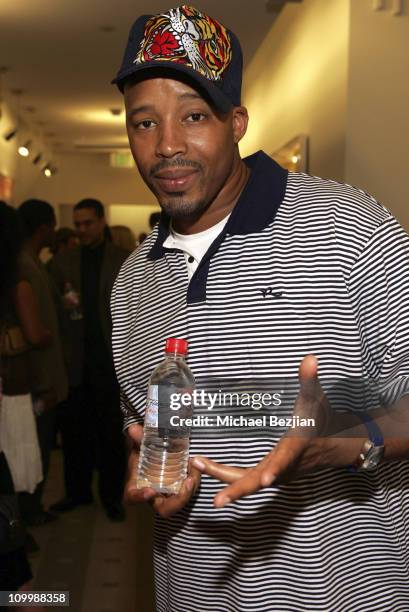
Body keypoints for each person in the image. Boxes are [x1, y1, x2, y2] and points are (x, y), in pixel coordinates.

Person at [110, 5, 409, 612]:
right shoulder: (132, 280)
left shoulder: (351, 230)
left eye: (194, 116)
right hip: (189, 590)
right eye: (144, 123)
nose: (167, 145)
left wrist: (338, 446)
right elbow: (148, 429)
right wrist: (154, 476)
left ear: (237, 122)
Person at [49, 199, 128, 522]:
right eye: (77, 224)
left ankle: (112, 497)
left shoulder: (123, 260)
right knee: (75, 434)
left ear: (101, 221)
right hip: (74, 362)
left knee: (111, 435)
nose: (81, 230)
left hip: (110, 362)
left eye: (87, 224)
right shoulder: (61, 263)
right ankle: (77, 492)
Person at [17, 199, 68, 527]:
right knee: (32, 447)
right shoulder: (24, 268)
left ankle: (30, 511)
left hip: (45, 375)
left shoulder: (35, 263)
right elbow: (34, 334)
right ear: (43, 229)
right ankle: (26, 515)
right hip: (38, 378)